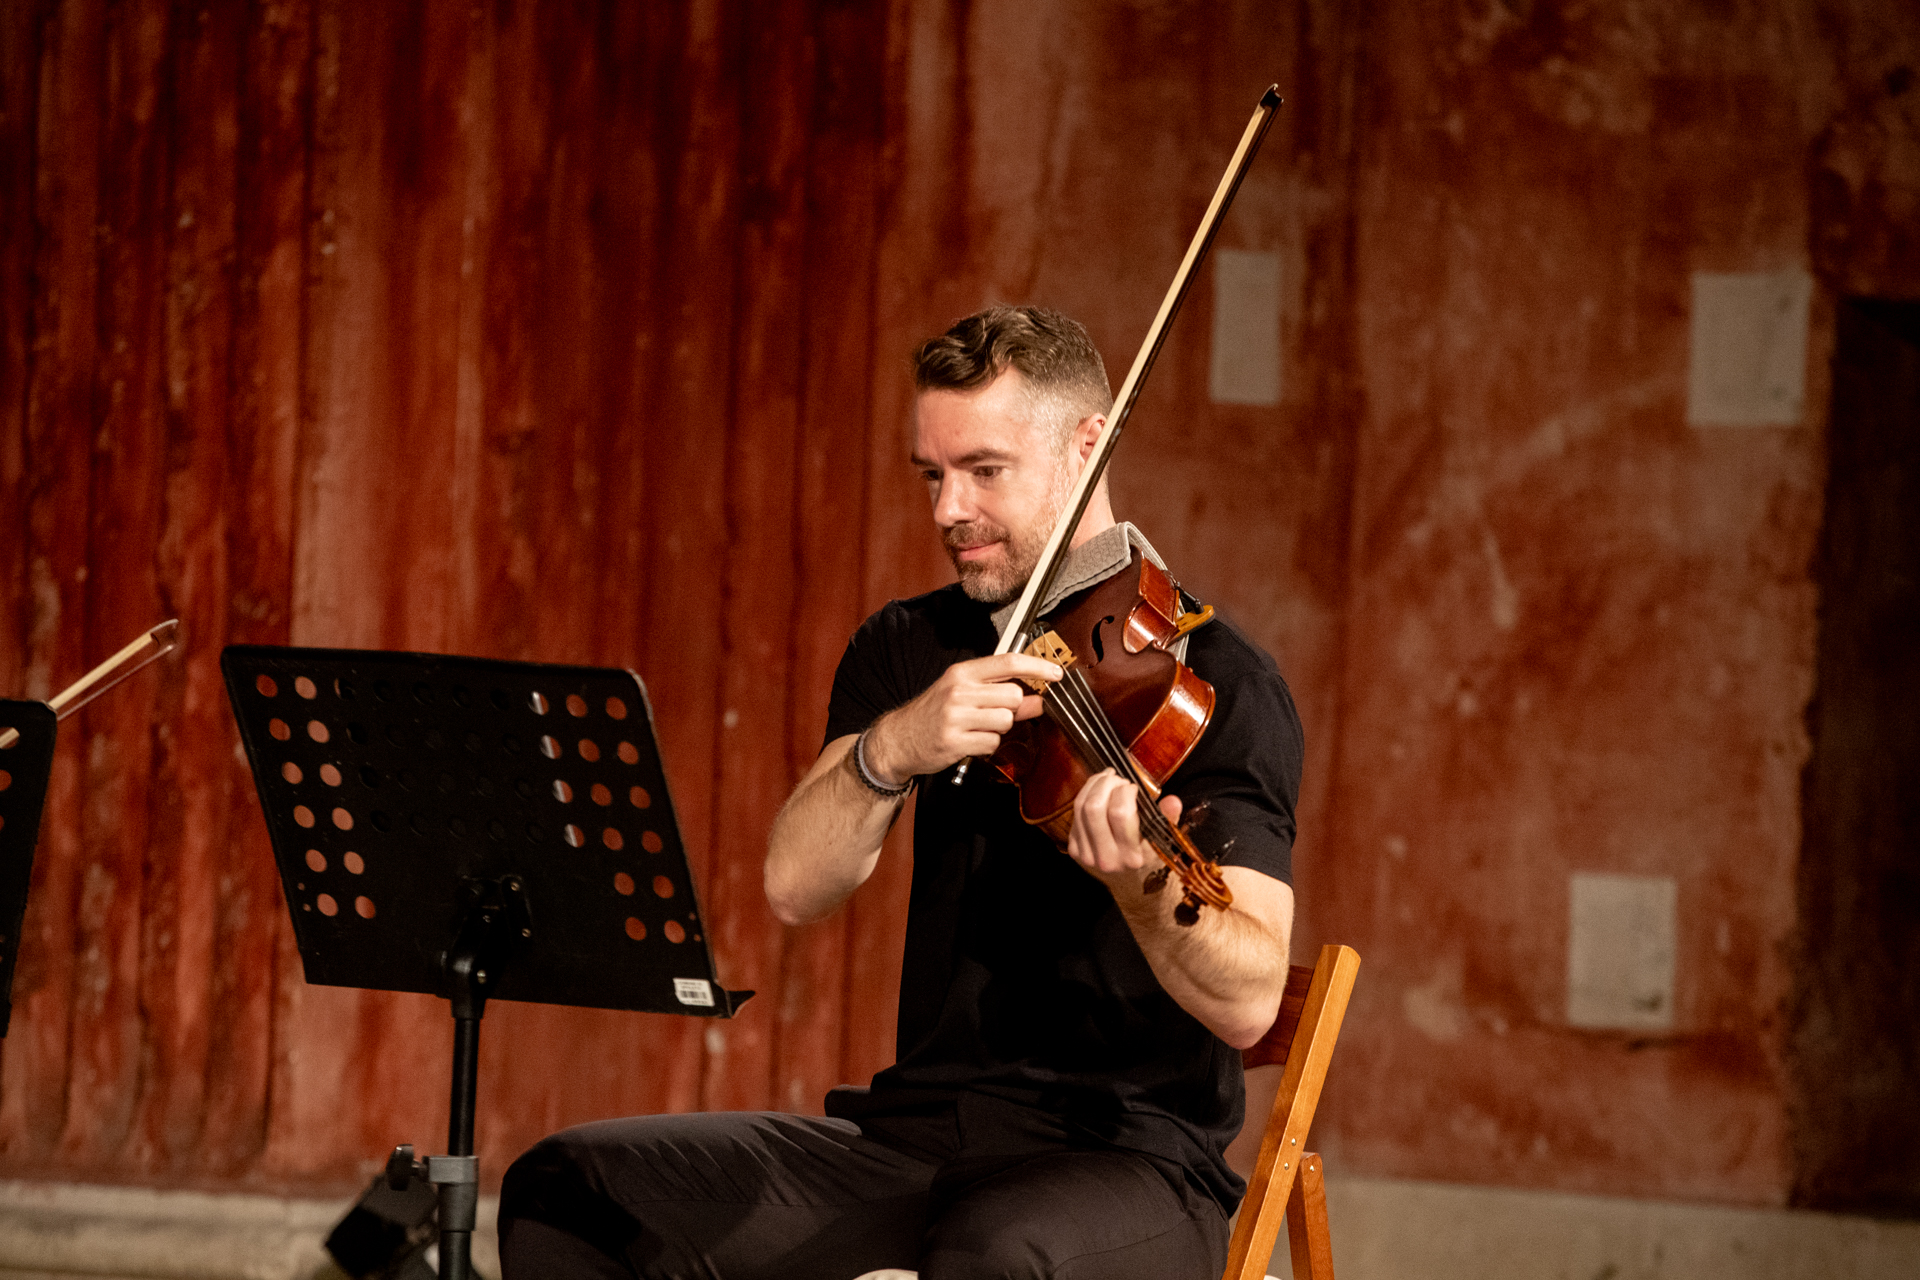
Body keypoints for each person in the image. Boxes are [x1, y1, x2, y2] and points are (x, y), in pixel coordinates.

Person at [499, 306, 1303, 1280]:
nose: (946, 508)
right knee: (572, 1189)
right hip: (914, 1140)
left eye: (985, 471)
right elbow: (797, 884)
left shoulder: (1216, 681)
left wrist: (1142, 884)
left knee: (991, 1254)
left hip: (1125, 1161)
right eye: (934, 474)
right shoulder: (910, 644)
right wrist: (892, 746)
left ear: (1089, 445)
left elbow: (1252, 998)